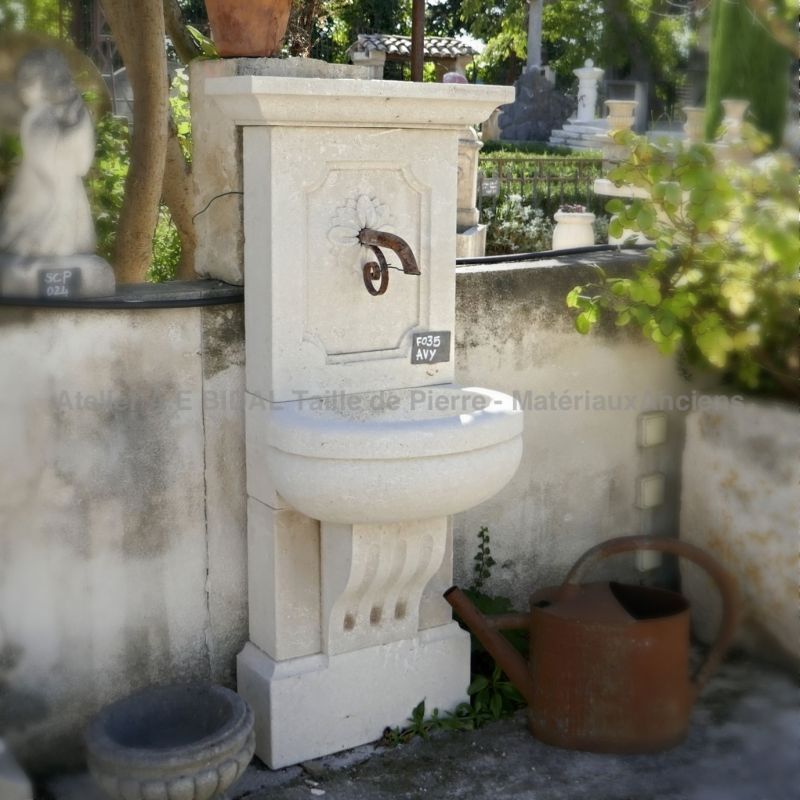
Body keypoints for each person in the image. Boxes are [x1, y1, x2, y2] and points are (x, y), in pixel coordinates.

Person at [0, 48, 96, 257]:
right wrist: (73, 127)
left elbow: (82, 162)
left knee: (64, 226)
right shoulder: (36, 116)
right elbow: (45, 155)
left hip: (63, 188)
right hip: (40, 186)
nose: (23, 85)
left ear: (51, 79)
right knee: (34, 223)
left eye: (31, 78)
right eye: (22, 78)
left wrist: (76, 119)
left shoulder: (67, 111)